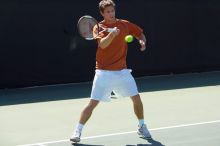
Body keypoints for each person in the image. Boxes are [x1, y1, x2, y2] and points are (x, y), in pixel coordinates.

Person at [70, 0, 151, 143]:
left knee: (136, 98)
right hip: (103, 72)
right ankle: (78, 130)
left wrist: (142, 41)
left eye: (112, 11)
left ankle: (142, 125)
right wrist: (111, 35)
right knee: (93, 103)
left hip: (122, 71)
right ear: (102, 13)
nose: (111, 14)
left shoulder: (124, 24)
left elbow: (140, 33)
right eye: (107, 12)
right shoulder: (98, 27)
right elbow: (102, 44)